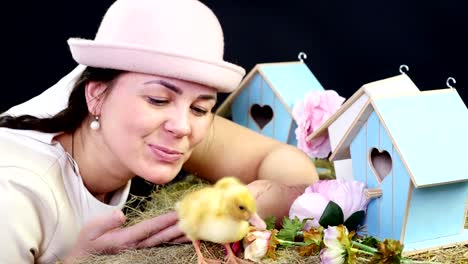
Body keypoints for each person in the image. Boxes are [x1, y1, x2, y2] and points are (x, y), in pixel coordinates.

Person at [0, 0, 318, 263]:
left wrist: (236, 209)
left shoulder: (150, 115)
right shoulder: (14, 194)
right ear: (95, 95)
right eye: (158, 100)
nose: (181, 126)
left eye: (200, 108)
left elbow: (291, 170)